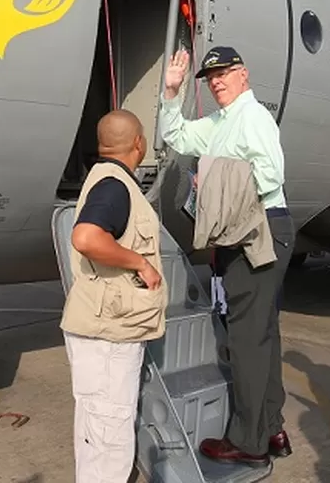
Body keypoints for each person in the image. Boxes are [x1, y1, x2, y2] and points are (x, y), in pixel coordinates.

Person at [158, 46, 294, 467]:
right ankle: (271, 429)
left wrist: (212, 179)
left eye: (224, 73)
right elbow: (177, 136)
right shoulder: (219, 122)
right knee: (261, 335)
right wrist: (171, 92)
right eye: (211, 76)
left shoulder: (252, 117)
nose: (216, 81)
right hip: (246, 230)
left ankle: (248, 442)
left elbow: (271, 173)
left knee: (246, 340)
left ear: (243, 75)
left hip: (259, 230)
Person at [60, 109, 168, 483]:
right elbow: (87, 238)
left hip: (105, 324)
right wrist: (141, 263)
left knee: (98, 423)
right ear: (138, 143)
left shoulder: (107, 180)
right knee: (109, 427)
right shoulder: (115, 186)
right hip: (106, 332)